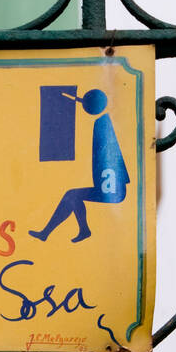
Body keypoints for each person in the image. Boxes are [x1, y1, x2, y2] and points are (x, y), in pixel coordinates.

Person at [29, 88, 130, 243]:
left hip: (112, 189)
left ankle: (51, 232)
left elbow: (110, 161)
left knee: (72, 195)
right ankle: (78, 230)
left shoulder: (103, 124)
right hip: (111, 186)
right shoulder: (104, 122)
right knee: (73, 195)